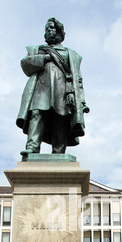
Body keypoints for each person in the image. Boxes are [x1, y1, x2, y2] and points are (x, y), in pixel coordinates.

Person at [16, 17, 89, 156]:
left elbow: (78, 79)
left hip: (62, 91)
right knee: (36, 115)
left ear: (60, 32)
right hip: (41, 88)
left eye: (52, 28)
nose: (49, 31)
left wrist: (82, 101)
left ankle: (59, 152)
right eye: (47, 29)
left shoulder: (70, 54)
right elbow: (26, 65)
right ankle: (32, 147)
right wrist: (44, 58)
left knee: (60, 119)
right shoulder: (38, 50)